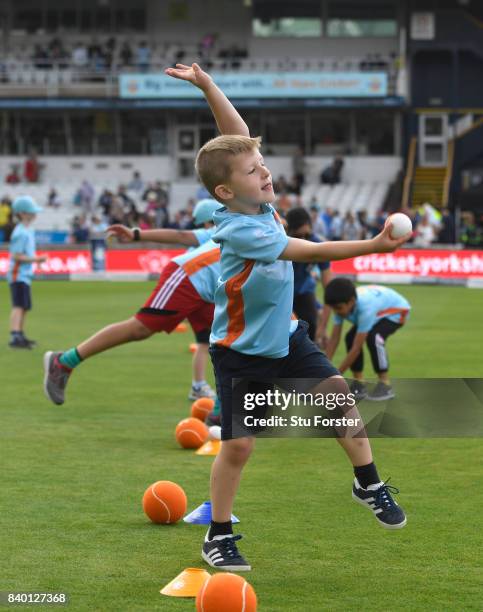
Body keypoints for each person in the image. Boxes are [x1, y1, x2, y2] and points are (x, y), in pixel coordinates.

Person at [164, 62, 410, 572]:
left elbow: (235, 139)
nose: (265, 171)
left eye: (262, 165)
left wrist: (208, 86)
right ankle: (219, 534)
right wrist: (376, 245)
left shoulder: (254, 201)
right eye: (255, 171)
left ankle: (368, 483)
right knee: (238, 448)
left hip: (287, 337)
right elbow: (313, 250)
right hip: (239, 351)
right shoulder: (243, 230)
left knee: (338, 395)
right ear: (226, 194)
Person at [43, 199, 224, 405]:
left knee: (225, 342)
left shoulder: (256, 227)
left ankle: (219, 408)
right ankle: (63, 362)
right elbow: (181, 236)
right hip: (190, 277)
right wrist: (136, 234)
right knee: (141, 328)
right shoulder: (240, 227)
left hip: (210, 290)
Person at [324, 279, 410, 401]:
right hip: (379, 308)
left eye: (338, 308)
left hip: (397, 311)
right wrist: (323, 370)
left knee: (375, 338)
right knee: (350, 337)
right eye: (333, 309)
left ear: (351, 301)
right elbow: (334, 339)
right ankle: (359, 383)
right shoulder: (341, 305)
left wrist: (336, 375)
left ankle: (385, 384)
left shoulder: (366, 308)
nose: (336, 312)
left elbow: (356, 349)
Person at [285, 207, 332, 345]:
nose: (304, 240)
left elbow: (329, 290)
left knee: (311, 333)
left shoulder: (318, 245)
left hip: (304, 292)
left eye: (307, 234)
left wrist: (323, 328)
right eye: (299, 236)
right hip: (281, 293)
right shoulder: (278, 245)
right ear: (288, 231)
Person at [7, 196, 47, 349]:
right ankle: (15, 335)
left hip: (24, 275)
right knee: (18, 305)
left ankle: (20, 334)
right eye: (32, 212)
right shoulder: (20, 233)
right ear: (23, 214)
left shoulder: (27, 231)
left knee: (24, 305)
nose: (35, 214)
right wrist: (36, 260)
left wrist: (35, 261)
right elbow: (16, 255)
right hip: (18, 274)